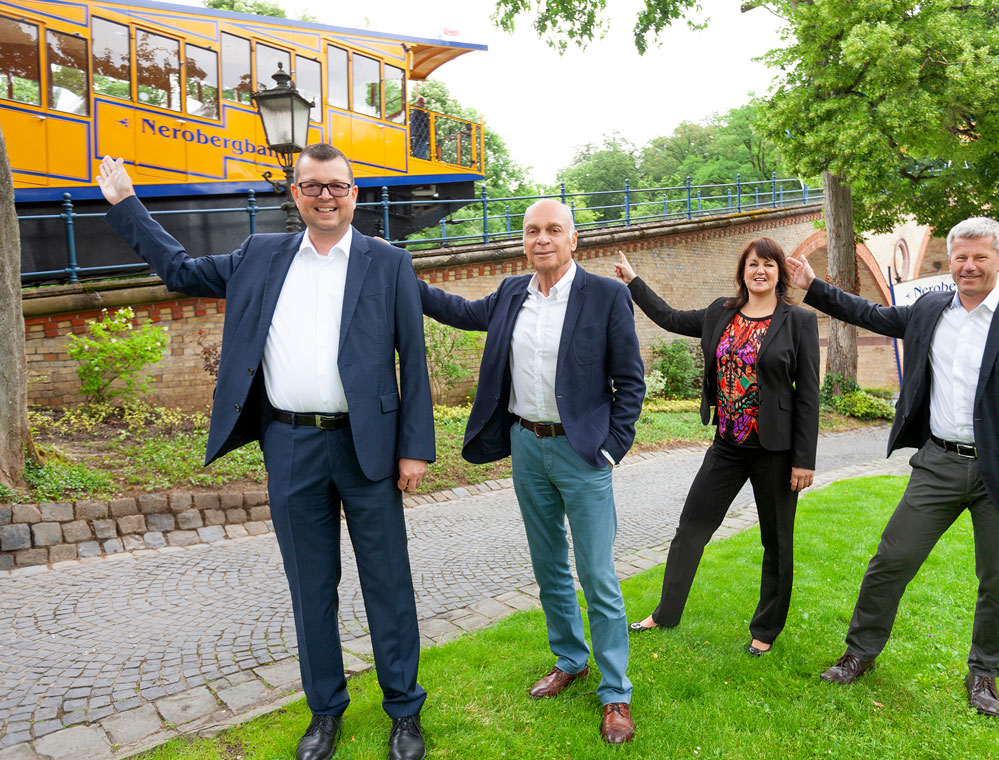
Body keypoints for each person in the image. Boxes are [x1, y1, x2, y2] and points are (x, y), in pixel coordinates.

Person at [96, 145, 434, 760]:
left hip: (371, 450)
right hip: (292, 444)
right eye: (312, 185)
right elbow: (180, 272)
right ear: (295, 191)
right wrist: (126, 207)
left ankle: (405, 712)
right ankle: (325, 712)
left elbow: (414, 356)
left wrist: (414, 450)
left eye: (337, 185)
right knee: (311, 588)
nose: (325, 195)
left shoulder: (388, 263)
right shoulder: (258, 256)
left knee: (388, 583)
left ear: (354, 193)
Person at [785, 217, 999, 716]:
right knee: (891, 561)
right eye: (960, 257)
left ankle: (984, 674)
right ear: (949, 260)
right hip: (937, 462)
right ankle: (859, 654)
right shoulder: (931, 309)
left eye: (980, 257)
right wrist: (813, 286)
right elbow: (870, 313)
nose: (969, 266)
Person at [417, 199, 645, 745]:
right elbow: (455, 310)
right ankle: (571, 659)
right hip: (527, 446)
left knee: (597, 574)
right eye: (531, 231)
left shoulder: (607, 296)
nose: (541, 239)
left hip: (583, 453)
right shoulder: (510, 294)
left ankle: (616, 693)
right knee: (548, 567)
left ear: (573, 239)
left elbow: (629, 382)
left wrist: (611, 449)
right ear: (524, 241)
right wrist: (399, 268)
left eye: (553, 230)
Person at [613, 240, 820, 656]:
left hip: (775, 450)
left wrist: (804, 460)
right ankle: (666, 612)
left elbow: (809, 394)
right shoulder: (720, 313)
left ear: (779, 272)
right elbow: (670, 318)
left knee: (777, 542)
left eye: (767, 264)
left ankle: (765, 631)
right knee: (690, 530)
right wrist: (634, 282)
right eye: (752, 263)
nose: (759, 270)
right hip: (727, 444)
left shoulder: (798, 320)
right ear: (742, 270)